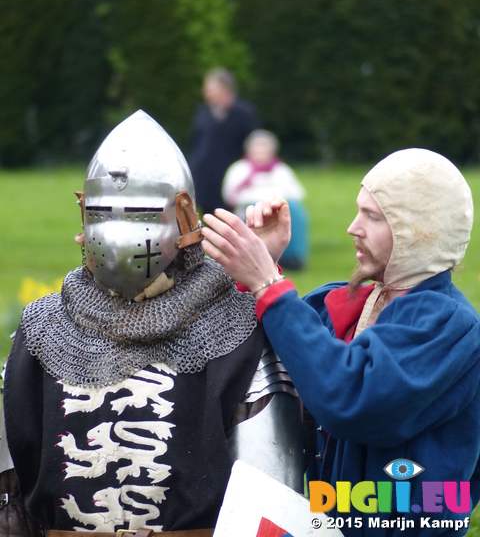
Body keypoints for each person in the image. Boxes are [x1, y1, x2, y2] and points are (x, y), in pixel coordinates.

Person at [0, 110, 304, 536]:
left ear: (185, 217)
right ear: (84, 216)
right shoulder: (43, 328)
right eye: (105, 213)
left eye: (142, 213)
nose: (122, 235)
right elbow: (9, 498)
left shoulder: (238, 332)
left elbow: (270, 499)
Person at [201, 148, 480, 537]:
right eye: (358, 210)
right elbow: (255, 354)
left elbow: (350, 398)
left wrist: (270, 284)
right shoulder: (344, 304)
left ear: (419, 232)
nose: (353, 227)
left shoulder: (448, 326)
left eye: (373, 216)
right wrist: (260, 270)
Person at [222, 129, 308, 270]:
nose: (260, 154)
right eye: (257, 150)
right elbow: (230, 196)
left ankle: (293, 257)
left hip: (278, 204)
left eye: (264, 150)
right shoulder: (239, 169)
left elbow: (297, 192)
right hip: (251, 205)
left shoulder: (280, 170)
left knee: (295, 211)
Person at [188, 68, 259, 215]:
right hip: (206, 179)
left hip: (230, 175)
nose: (206, 92)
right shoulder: (203, 112)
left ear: (224, 89)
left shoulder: (244, 113)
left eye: (210, 89)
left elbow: (253, 144)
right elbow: (196, 142)